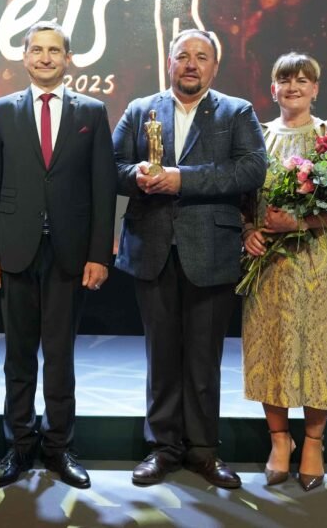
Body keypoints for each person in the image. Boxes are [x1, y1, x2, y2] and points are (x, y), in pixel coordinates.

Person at [113, 28, 267, 489]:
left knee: (203, 358)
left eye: (201, 57)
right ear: (169, 62)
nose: (191, 64)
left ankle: (203, 450)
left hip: (212, 251)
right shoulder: (140, 110)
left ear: (214, 66)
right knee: (161, 356)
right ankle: (163, 448)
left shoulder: (236, 111)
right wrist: (136, 174)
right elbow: (111, 166)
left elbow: (252, 168)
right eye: (183, 56)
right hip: (152, 249)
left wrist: (183, 179)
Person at [0, 20, 116, 490]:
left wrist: (99, 253)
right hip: (14, 252)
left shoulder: (92, 112)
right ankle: (18, 445)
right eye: (36, 50)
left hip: (69, 253)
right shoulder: (2, 110)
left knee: (60, 357)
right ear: (24, 56)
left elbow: (103, 189)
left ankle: (59, 446)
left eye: (54, 50)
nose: (44, 58)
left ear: (68, 59)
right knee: (18, 357)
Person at [241, 53, 327, 491]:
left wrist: (302, 222)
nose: (293, 86)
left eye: (302, 80)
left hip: (317, 263)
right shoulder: (255, 136)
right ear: (272, 89)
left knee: (317, 350)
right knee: (270, 348)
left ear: (315, 88)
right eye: (284, 79)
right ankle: (280, 441)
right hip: (269, 265)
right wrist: (248, 231)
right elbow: (240, 197)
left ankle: (313, 442)